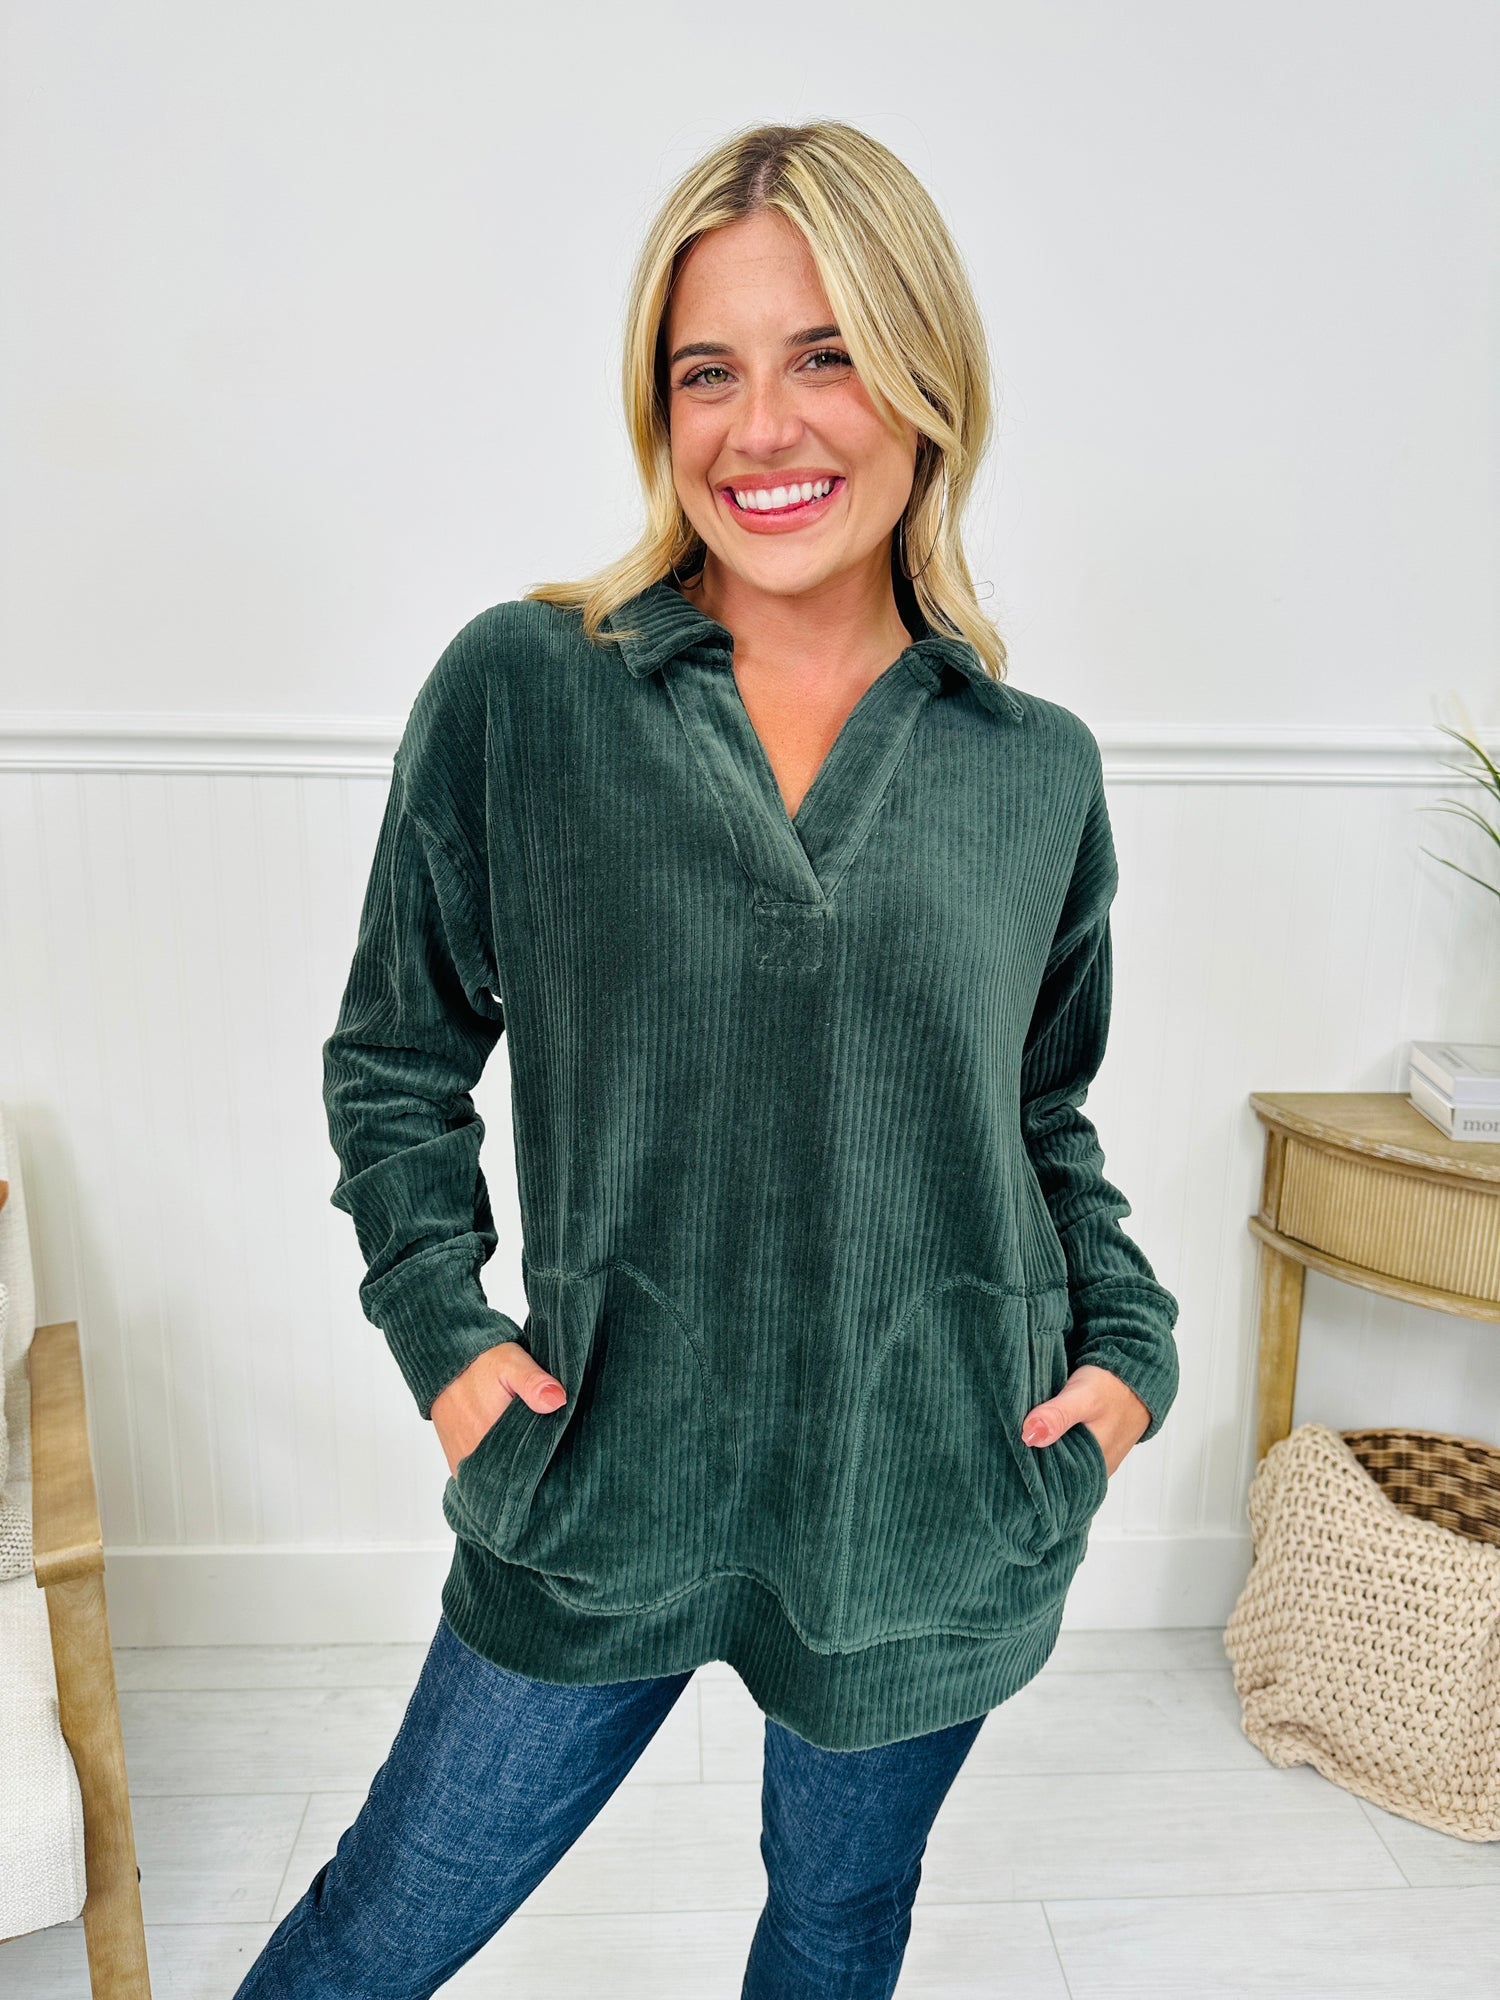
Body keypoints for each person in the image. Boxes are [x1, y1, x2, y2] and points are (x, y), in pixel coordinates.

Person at [233, 118, 1180, 2000]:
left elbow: (1037, 1110)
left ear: (926, 378)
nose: (763, 428)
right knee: (372, 1934)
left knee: (833, 1931)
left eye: (826, 354)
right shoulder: (527, 689)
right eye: (706, 373)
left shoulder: (1033, 769)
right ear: (656, 407)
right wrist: (445, 1337)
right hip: (598, 1476)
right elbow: (395, 1053)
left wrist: (1126, 1354)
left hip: (932, 1501)